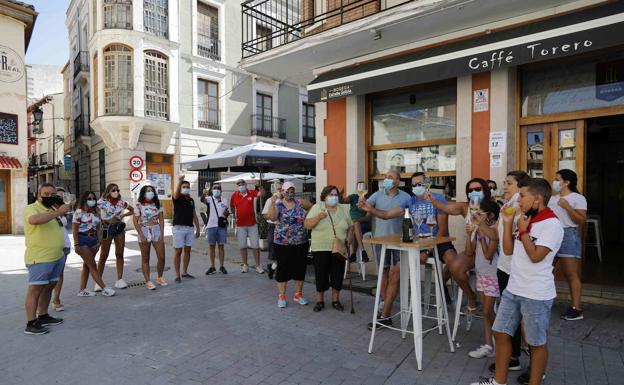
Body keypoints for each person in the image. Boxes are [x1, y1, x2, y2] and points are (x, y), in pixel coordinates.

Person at [471, 178, 563, 385]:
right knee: (500, 332)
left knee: (535, 342)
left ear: (537, 199)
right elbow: (509, 250)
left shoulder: (552, 223)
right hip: (514, 287)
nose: (518, 201)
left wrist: (523, 230)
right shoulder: (523, 218)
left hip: (536, 293)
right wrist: (506, 222)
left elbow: (536, 256)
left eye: (522, 196)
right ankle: (499, 381)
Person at [360, 172, 456, 325]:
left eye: (420, 184)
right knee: (394, 270)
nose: (417, 187)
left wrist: (428, 250)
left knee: (454, 263)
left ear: (427, 183)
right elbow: (386, 215)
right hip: (419, 244)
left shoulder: (438, 199)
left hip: (439, 241)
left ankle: (447, 288)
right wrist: (370, 210)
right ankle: (385, 316)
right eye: (414, 184)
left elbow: (442, 230)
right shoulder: (410, 201)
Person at [426, 178, 493, 312]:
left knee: (452, 264)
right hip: (472, 248)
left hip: (491, 249)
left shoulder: (493, 206)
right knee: (454, 265)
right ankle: (471, 297)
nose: (474, 192)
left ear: (485, 190)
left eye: (477, 189)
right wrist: (432, 198)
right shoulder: (466, 206)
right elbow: (446, 208)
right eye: (470, 190)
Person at [487, 170, 530, 374]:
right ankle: (512, 358)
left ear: (521, 187)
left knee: (524, 318)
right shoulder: (506, 206)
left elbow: (513, 243)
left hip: (516, 269)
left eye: (509, 183)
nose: (504, 186)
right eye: (504, 182)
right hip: (504, 267)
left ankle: (534, 366)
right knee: (511, 316)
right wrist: (479, 224)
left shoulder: (520, 208)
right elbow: (495, 234)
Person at [357, 170, 411, 328]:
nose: (387, 179)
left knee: (396, 272)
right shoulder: (377, 194)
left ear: (398, 181)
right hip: (380, 239)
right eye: (386, 177)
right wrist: (361, 205)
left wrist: (369, 209)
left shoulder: (406, 198)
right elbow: (366, 209)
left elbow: (389, 215)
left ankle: (389, 301)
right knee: (384, 270)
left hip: (399, 240)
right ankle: (383, 301)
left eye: (391, 177)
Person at [23, 183, 72, 335]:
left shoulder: (52, 209)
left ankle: (43, 315)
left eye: (52, 194)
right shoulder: (31, 208)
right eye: (46, 194)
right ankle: (31, 323)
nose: (49, 197)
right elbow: (35, 220)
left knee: (49, 286)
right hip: (40, 257)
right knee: (35, 289)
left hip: (56, 255)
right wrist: (58, 213)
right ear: (38, 195)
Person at [305, 185, 353, 312]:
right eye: (331, 195)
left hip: (338, 247)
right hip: (320, 247)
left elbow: (350, 226)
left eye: (336, 195)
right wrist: (318, 217)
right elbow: (307, 225)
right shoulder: (317, 208)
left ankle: (335, 300)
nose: (334, 197)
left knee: (337, 274)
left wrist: (349, 238)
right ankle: (319, 301)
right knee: (321, 274)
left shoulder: (343, 209)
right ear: (324, 196)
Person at [549, 169, 587, 321]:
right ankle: (544, 300)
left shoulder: (578, 198)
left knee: (571, 274)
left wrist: (567, 207)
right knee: (545, 270)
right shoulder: (552, 199)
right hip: (551, 235)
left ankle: (576, 308)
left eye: (557, 179)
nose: (555, 182)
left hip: (568, 235)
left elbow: (581, 220)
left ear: (567, 182)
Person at [465, 199, 500, 359]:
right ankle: (489, 345)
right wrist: (469, 234)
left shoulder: (494, 231)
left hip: (492, 275)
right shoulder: (479, 228)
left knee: (488, 311)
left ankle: (500, 340)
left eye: (480, 213)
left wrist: (480, 238)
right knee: (486, 313)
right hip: (481, 273)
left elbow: (488, 255)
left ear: (490, 215)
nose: (476, 215)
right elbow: (468, 251)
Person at [267, 182, 310, 308]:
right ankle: (281, 295)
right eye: (287, 190)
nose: (289, 193)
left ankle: (298, 294)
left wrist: (307, 218)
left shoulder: (299, 202)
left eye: (292, 190)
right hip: (282, 243)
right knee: (283, 268)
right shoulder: (278, 205)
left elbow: (312, 207)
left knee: (300, 268)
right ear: (283, 191)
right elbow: (272, 217)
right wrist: (273, 202)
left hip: (301, 242)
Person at [73, 191, 116, 297]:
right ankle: (104, 288)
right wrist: (76, 244)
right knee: (92, 264)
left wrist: (99, 242)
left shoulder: (96, 213)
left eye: (93, 198)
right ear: (84, 200)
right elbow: (74, 229)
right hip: (82, 239)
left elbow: (99, 229)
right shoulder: (79, 212)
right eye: (89, 198)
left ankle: (82, 290)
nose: (91, 200)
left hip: (93, 241)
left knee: (87, 265)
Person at [97, 183, 134, 291]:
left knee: (120, 254)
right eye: (113, 190)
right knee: (103, 255)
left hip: (119, 229)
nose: (116, 192)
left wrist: (122, 215)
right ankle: (98, 282)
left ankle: (120, 280)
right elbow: (94, 212)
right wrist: (105, 220)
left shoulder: (121, 202)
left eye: (117, 190)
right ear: (108, 191)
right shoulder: (101, 202)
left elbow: (133, 210)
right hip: (106, 229)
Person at [133, 185, 167, 290]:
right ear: (143, 193)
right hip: (144, 229)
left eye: (152, 190)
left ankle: (159, 277)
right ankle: (147, 281)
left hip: (156, 229)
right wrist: (141, 234)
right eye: (148, 191)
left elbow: (161, 219)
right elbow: (135, 221)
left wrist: (162, 233)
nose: (150, 192)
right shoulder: (138, 205)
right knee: (145, 257)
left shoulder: (158, 204)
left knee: (161, 257)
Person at [230, 179, 265, 274]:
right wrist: (236, 215)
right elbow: (232, 207)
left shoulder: (252, 192)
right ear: (237, 186)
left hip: (252, 224)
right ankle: (245, 265)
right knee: (242, 246)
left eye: (242, 183)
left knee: (255, 246)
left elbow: (262, 194)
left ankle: (258, 265)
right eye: (239, 184)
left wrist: (259, 186)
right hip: (240, 225)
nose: (241, 185)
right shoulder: (234, 195)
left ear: (246, 184)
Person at [172, 176, 201, 283]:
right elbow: (175, 194)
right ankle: (177, 275)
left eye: (187, 187)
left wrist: (198, 228)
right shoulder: (177, 197)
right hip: (178, 228)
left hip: (189, 228)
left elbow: (194, 215)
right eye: (184, 186)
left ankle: (184, 272)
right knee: (178, 251)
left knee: (188, 250)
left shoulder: (191, 200)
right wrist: (179, 181)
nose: (186, 188)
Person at [202, 183, 229, 275]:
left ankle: (222, 266)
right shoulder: (209, 199)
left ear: (221, 190)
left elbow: (226, 211)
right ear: (212, 190)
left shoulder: (225, 200)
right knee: (211, 246)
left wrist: (226, 214)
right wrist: (204, 193)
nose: (216, 189)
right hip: (211, 225)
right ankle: (212, 266)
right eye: (214, 188)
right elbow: (203, 200)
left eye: (218, 188)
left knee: (221, 246)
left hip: (221, 226)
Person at [51, 187, 71, 312]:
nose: (60, 198)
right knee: (49, 274)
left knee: (60, 274)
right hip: (51, 246)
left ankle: (56, 299)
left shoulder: (62, 209)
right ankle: (43, 303)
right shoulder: (47, 210)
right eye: (58, 196)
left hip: (64, 245)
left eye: (63, 196)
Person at [345, 181, 371, 263]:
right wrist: (338, 195)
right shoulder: (353, 197)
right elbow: (343, 200)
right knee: (353, 228)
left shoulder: (370, 199)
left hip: (365, 225)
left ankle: (352, 253)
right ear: (356, 188)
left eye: (363, 187)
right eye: (359, 187)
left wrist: (357, 220)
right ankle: (360, 253)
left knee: (354, 226)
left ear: (366, 189)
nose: (361, 189)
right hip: (354, 226)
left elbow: (368, 218)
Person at [262, 179, 283, 279]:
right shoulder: (269, 200)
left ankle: (273, 268)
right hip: (273, 226)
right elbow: (265, 215)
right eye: (277, 189)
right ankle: (274, 267)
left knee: (283, 250)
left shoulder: (286, 200)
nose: (279, 191)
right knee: (274, 248)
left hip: (284, 227)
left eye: (280, 188)